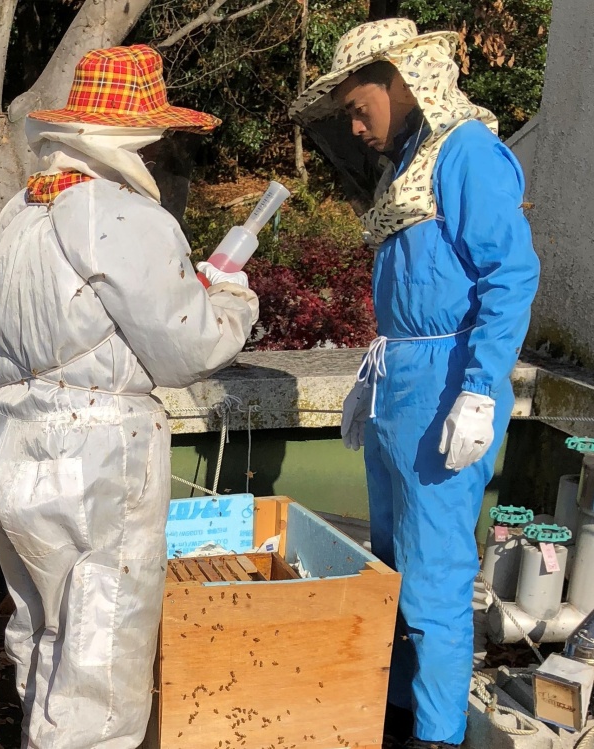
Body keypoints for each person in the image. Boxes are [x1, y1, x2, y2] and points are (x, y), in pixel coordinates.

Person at [0, 45, 259, 749]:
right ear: (139, 137)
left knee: (41, 632)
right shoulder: (123, 216)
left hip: (12, 443)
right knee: (99, 654)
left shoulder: (20, 213)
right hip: (97, 456)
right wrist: (228, 295)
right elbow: (187, 348)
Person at [290, 18, 540, 749]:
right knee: (391, 566)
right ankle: (397, 712)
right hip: (403, 378)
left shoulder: (466, 153)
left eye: (355, 103)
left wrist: (479, 388)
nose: (352, 121)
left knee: (432, 572)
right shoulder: (410, 164)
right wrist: (379, 373)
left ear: (397, 78)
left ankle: (436, 733)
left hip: (445, 385)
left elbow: (510, 274)